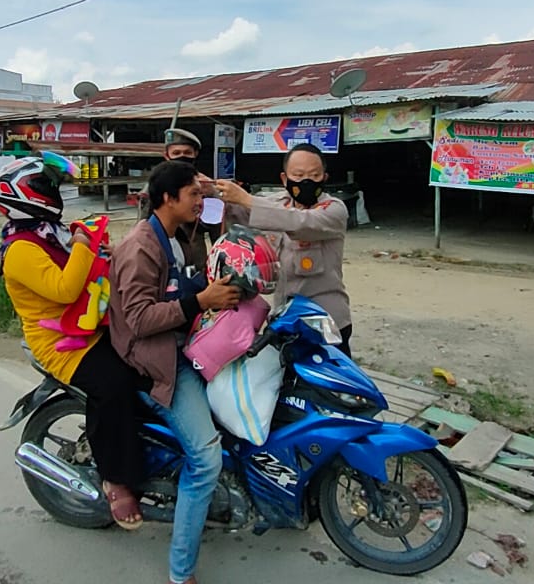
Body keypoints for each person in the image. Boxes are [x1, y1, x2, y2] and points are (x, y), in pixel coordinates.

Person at [0, 154, 147, 529]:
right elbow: (64, 289)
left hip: (88, 325)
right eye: (44, 187)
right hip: (60, 343)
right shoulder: (20, 249)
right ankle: (114, 477)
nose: (52, 193)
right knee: (113, 384)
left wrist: (103, 253)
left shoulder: (49, 232)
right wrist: (83, 241)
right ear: (19, 194)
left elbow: (88, 270)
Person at [109, 160, 241, 584]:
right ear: (168, 198)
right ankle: (180, 572)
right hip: (157, 361)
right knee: (205, 458)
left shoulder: (177, 237)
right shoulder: (140, 246)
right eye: (194, 195)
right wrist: (200, 302)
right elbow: (140, 319)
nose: (201, 202)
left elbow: (195, 283)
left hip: (183, 345)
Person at [213, 143, 354, 356]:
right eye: (298, 174)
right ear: (284, 179)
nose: (306, 181)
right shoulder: (278, 204)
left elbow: (300, 222)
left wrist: (246, 199)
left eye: (314, 175)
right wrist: (210, 191)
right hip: (285, 319)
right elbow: (243, 213)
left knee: (325, 388)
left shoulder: (334, 209)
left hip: (325, 320)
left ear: (324, 178)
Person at [137, 128, 218, 270]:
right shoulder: (155, 185)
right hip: (163, 257)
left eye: (187, 153)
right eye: (176, 153)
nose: (182, 157)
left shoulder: (205, 186)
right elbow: (142, 226)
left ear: (195, 154)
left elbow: (218, 231)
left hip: (195, 259)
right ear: (167, 156)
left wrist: (212, 195)